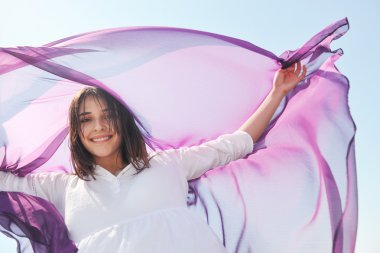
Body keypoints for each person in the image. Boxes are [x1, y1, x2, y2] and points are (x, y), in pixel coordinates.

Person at [0, 62, 306, 252]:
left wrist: (277, 93)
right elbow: (6, 183)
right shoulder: (63, 188)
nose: (100, 128)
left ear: (123, 121)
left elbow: (234, 145)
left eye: (108, 116)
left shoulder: (168, 164)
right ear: (76, 131)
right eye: (86, 120)